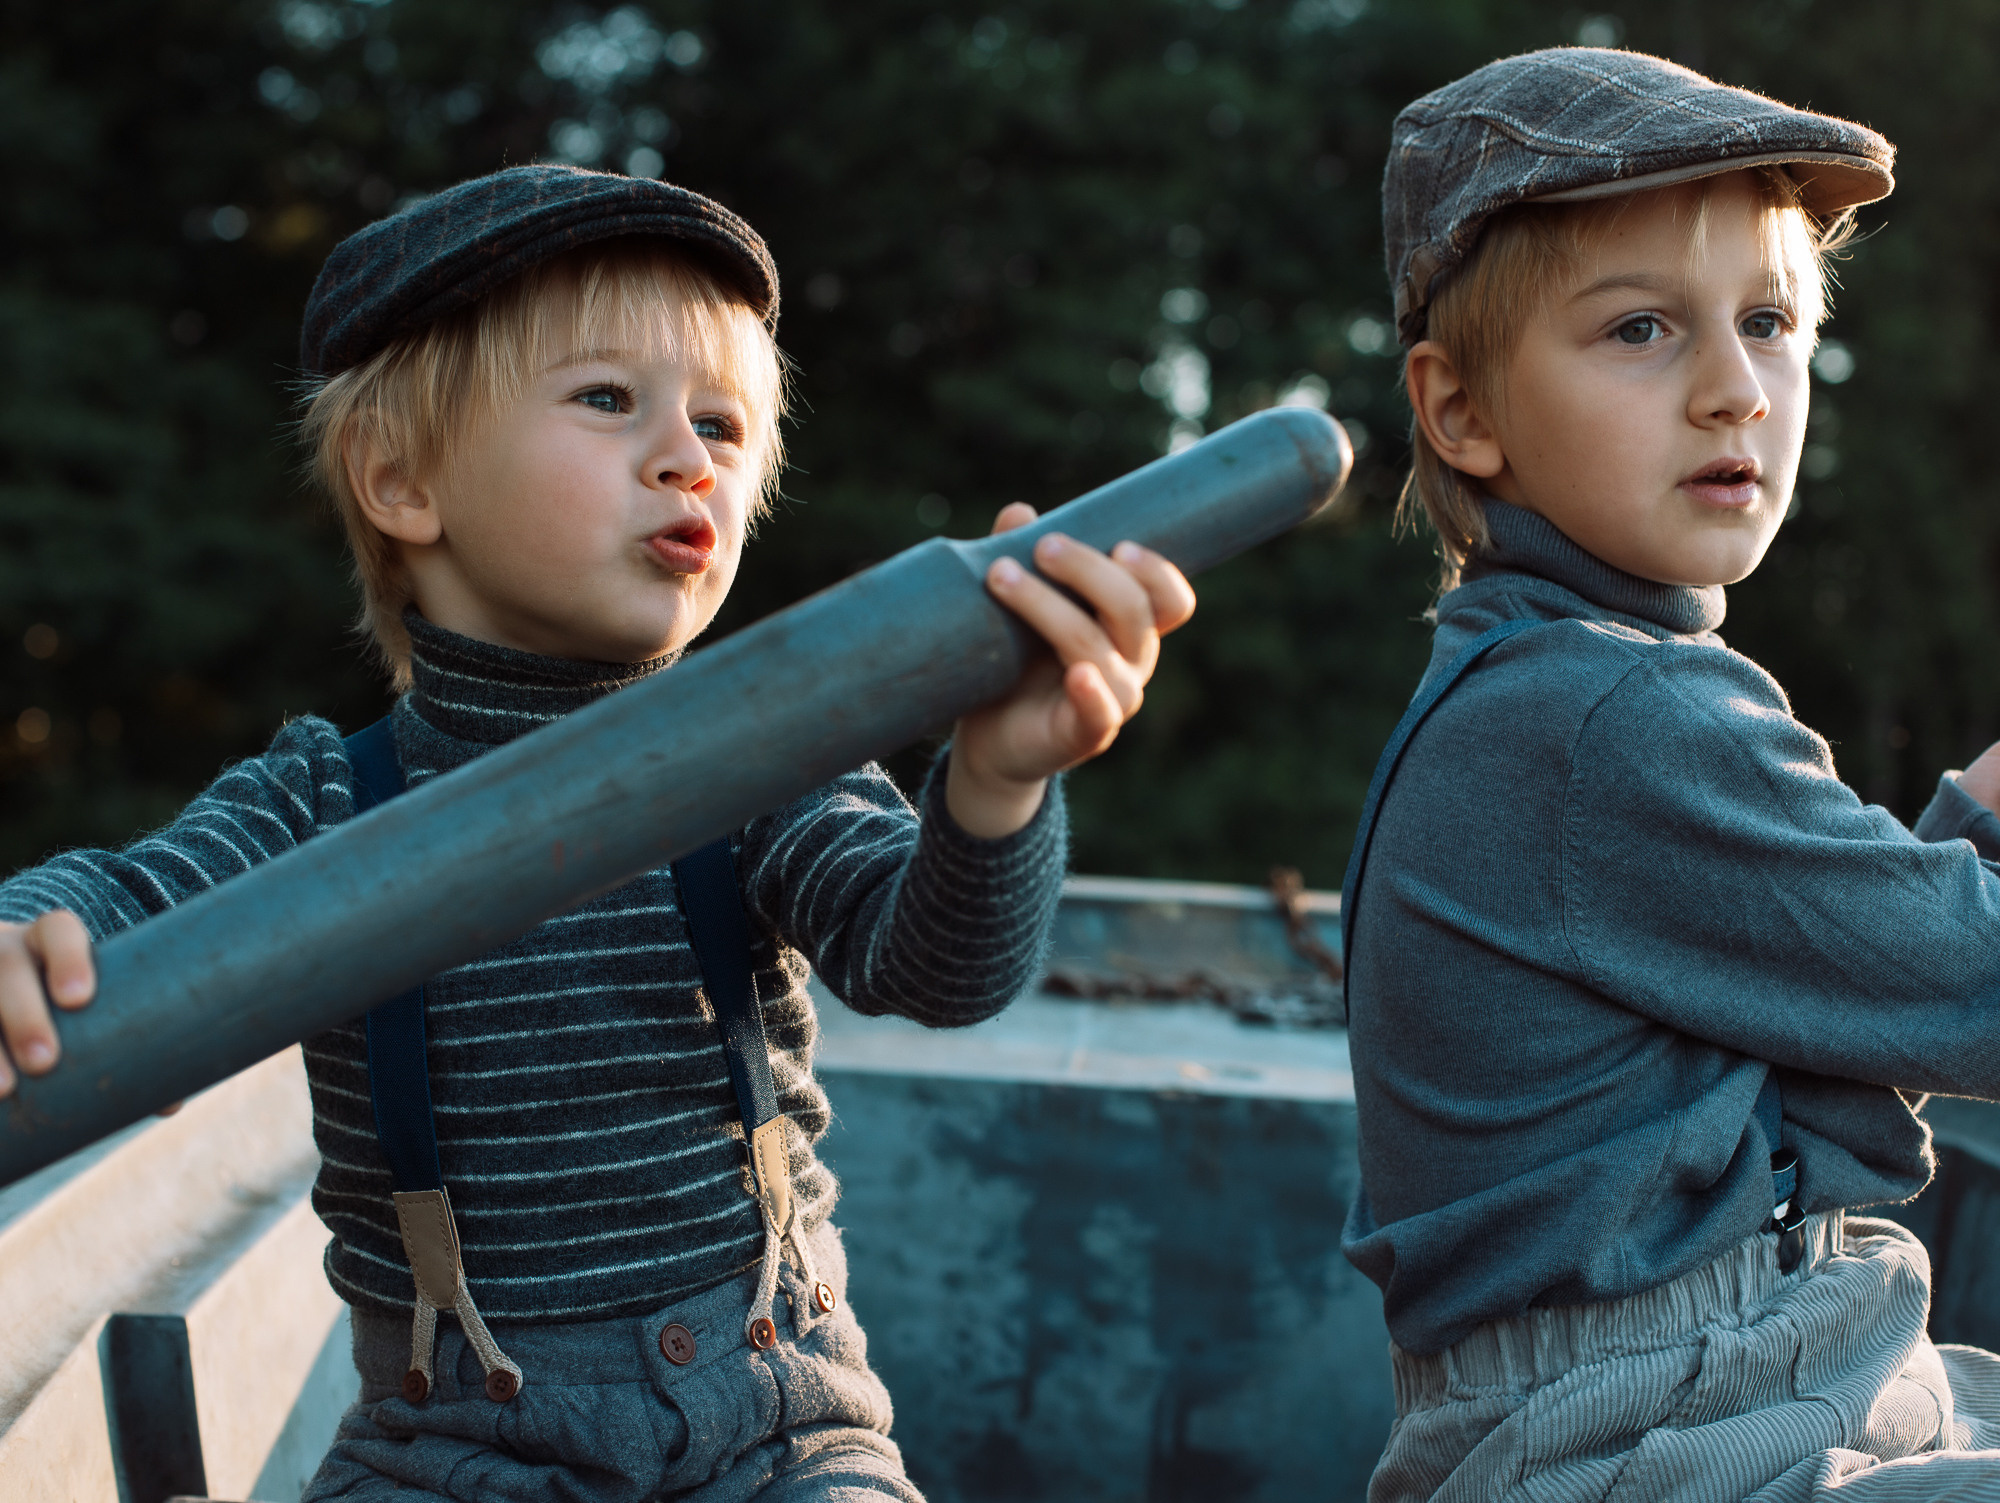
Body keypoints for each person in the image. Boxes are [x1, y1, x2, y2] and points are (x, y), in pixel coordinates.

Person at [0, 165, 1195, 1501]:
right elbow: (123, 900)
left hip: (775, 1431)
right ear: (401, 479)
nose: (691, 458)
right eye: (608, 399)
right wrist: (20, 933)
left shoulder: (764, 752)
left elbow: (933, 968)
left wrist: (1000, 783)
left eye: (723, 424)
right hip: (453, 1453)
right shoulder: (326, 803)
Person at [1343, 47, 2000, 1499]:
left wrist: (1968, 834)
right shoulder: (1610, 712)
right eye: (1640, 329)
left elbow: (1833, 988)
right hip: (1652, 1443)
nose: (1734, 392)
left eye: (1769, 323)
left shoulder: (1542, 683)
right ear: (1462, 412)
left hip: (1729, 1390)